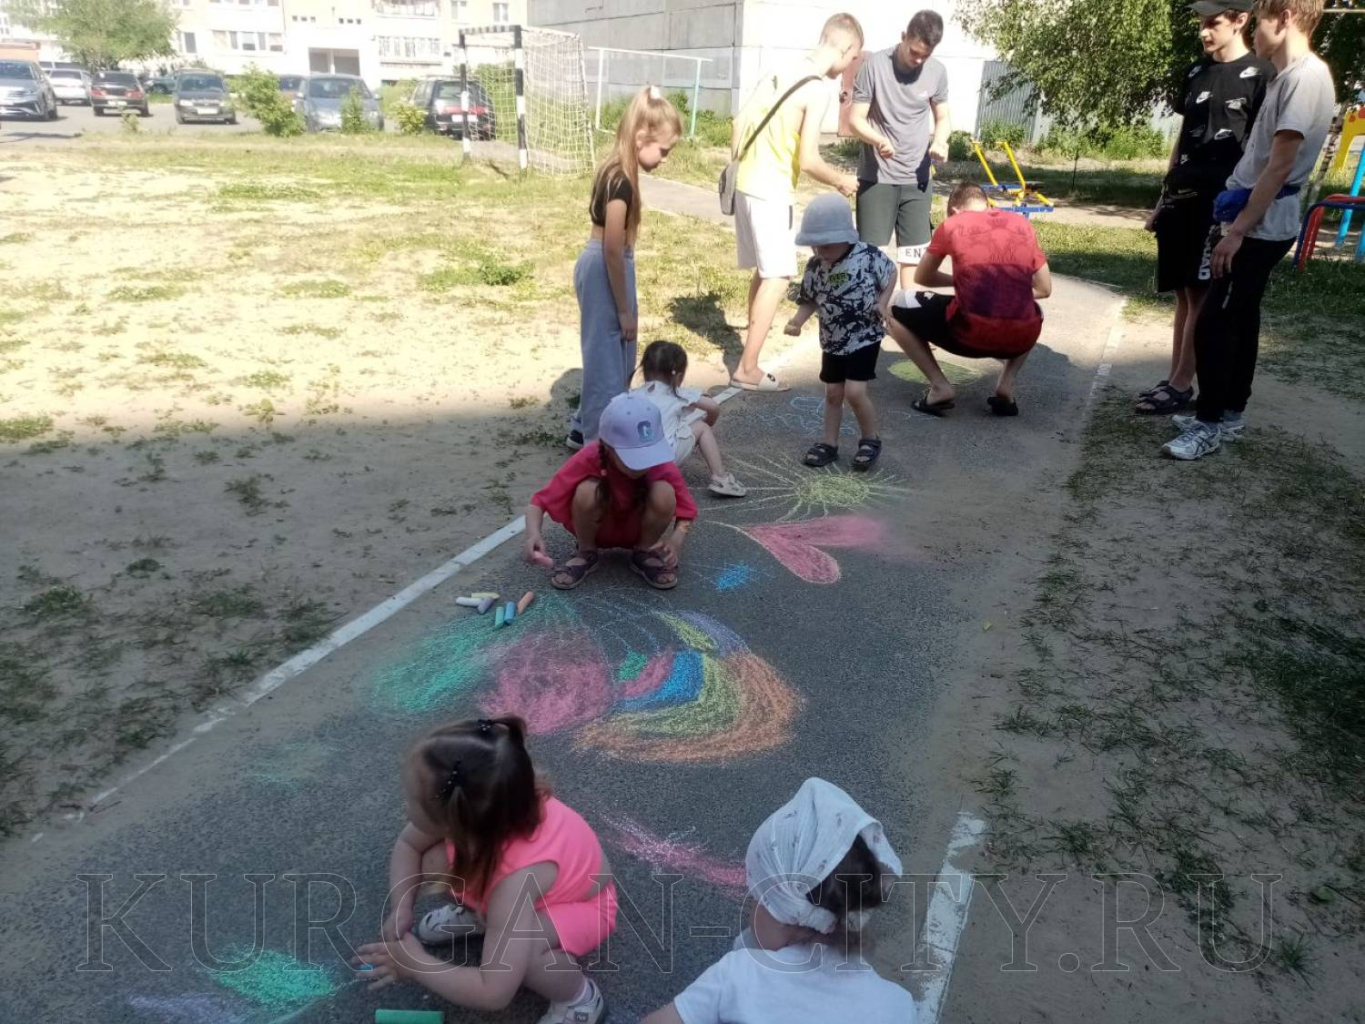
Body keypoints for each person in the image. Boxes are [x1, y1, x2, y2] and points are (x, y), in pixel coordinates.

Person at [353, 717, 616, 1024]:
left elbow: (493, 992)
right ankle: (482, 918)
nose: (404, 807)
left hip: (585, 905)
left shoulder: (515, 882)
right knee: (434, 863)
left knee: (526, 957)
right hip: (518, 886)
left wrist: (417, 963)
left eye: (411, 800)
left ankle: (580, 999)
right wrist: (402, 906)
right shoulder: (492, 805)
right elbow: (408, 845)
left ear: (455, 823)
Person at [1164, 0, 1335, 460]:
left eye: (1259, 21)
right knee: (1241, 316)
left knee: (1215, 322)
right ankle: (1230, 411)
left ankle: (1208, 424)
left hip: (1260, 224)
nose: (1255, 31)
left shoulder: (1304, 79)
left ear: (1285, 18)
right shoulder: (1287, 76)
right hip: (1255, 217)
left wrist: (1237, 230)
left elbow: (1279, 166)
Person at [641, 777, 914, 1024]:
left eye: (756, 896)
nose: (750, 908)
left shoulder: (737, 977)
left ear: (785, 908)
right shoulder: (897, 1006)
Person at [1137, 0, 1274, 415]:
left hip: (1220, 203)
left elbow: (1265, 148)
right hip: (1182, 197)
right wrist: (1163, 198)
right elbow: (1183, 137)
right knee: (1183, 292)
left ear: (1240, 20)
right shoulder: (1196, 70)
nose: (1203, 31)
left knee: (1201, 296)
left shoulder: (1262, 75)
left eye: (1213, 22)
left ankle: (1182, 384)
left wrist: (1243, 215)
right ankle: (1175, 377)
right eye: (1201, 22)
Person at [729, 13, 865, 393]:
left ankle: (749, 353)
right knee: (778, 275)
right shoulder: (817, 89)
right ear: (845, 47)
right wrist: (841, 180)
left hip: (745, 183)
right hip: (772, 189)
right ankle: (748, 369)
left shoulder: (780, 69)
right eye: (852, 58)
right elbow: (808, 160)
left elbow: (738, 124)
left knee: (765, 271)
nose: (848, 67)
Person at [567, 86, 682, 450]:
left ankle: (585, 429)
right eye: (663, 150)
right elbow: (613, 249)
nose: (664, 159)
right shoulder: (621, 182)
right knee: (606, 365)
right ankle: (597, 447)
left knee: (613, 359)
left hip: (606, 266)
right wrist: (623, 311)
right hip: (605, 269)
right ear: (641, 138)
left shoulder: (617, 171)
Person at [884, 182, 1052, 417]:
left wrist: (966, 283)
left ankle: (939, 387)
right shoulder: (1022, 224)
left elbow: (922, 277)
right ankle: (1006, 384)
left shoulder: (953, 224)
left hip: (966, 336)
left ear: (954, 210)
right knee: (1035, 311)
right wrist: (995, 290)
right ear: (986, 204)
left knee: (893, 306)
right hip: (1021, 339)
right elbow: (1044, 288)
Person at [526, 392, 698, 590]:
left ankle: (645, 552)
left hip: (639, 530)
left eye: (647, 455)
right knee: (586, 490)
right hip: (598, 528)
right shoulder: (590, 456)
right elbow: (538, 502)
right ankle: (586, 551)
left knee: (664, 492)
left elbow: (687, 511)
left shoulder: (660, 463)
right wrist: (533, 535)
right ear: (607, 447)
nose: (643, 465)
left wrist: (676, 540)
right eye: (634, 458)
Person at [784, 194, 896, 471]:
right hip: (832, 340)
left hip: (864, 336)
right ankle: (828, 442)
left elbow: (891, 273)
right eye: (814, 245)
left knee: (855, 392)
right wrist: (797, 321)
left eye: (825, 245)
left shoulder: (868, 256)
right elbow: (810, 299)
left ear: (845, 236)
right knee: (833, 392)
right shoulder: (815, 266)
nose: (819, 251)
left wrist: (882, 303)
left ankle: (870, 439)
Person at [847, 11, 952, 290]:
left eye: (925, 56)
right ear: (904, 36)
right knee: (872, 258)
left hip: (917, 180)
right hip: (877, 178)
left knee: (913, 258)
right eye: (914, 52)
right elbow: (855, 119)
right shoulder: (874, 66)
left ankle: (908, 310)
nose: (918, 60)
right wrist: (878, 139)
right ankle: (872, 309)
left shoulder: (937, 72)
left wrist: (940, 141)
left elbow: (943, 117)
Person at [630, 340, 747, 498]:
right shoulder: (678, 393)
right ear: (678, 376)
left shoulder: (632, 395)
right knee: (701, 428)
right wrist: (708, 423)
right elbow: (713, 407)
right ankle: (721, 478)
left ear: (644, 370)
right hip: (664, 459)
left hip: (633, 461)